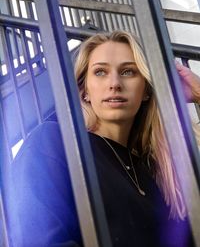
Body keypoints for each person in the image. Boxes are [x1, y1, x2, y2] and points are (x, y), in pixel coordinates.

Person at [6, 30, 200, 247]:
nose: (114, 83)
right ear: (84, 90)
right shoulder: (53, 142)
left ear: (146, 90)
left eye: (128, 72)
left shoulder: (155, 171)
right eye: (100, 72)